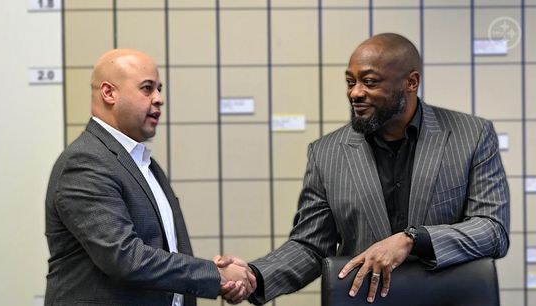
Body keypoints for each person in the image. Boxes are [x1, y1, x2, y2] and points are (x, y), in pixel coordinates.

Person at [218, 32, 510, 304]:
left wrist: (413, 239)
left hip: (446, 298)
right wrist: (255, 276)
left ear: (411, 82)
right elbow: (310, 246)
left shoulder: (471, 135)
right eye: (350, 81)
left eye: (369, 82)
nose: (355, 93)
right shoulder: (326, 153)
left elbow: (492, 230)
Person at [44, 49, 254, 306]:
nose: (159, 99)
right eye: (147, 88)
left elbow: (167, 252)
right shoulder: (86, 162)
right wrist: (216, 275)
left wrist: (217, 277)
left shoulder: (144, 163)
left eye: (159, 89)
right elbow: (125, 258)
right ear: (109, 93)